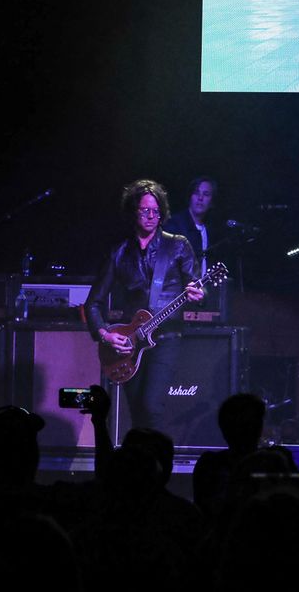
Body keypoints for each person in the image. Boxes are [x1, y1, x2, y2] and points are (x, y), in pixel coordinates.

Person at [85, 179, 204, 434]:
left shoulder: (177, 245)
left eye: (156, 211)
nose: (151, 216)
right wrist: (106, 335)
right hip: (131, 342)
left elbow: (196, 285)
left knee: (151, 405)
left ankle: (159, 456)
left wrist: (198, 292)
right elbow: (93, 303)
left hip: (166, 337)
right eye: (145, 210)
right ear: (133, 211)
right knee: (137, 409)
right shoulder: (119, 252)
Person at [164, 175, 217, 271]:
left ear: (212, 201)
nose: (200, 198)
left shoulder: (211, 231)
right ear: (190, 197)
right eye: (196, 193)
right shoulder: (174, 225)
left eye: (206, 194)